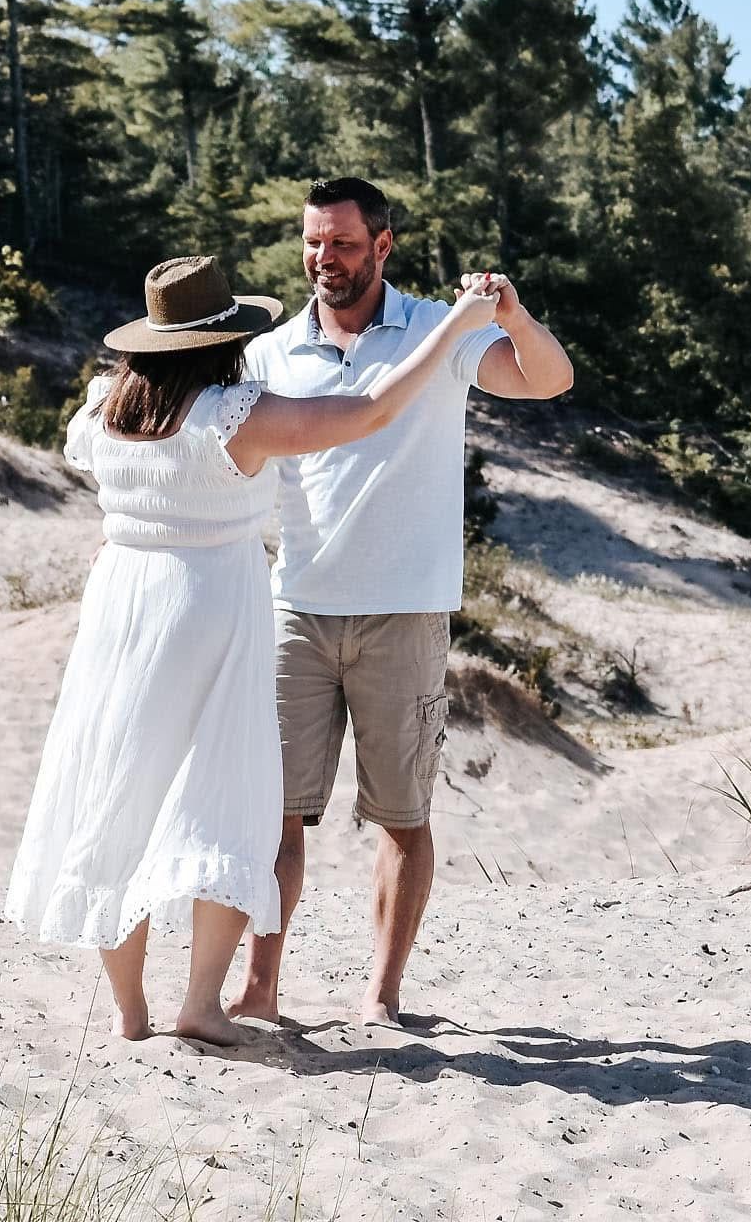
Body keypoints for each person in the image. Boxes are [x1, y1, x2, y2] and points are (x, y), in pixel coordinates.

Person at [5, 251, 501, 1047]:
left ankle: (129, 1012)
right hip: (213, 612)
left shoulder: (107, 407)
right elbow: (370, 410)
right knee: (227, 801)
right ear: (221, 343)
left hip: (119, 610)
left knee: (115, 793)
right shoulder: (234, 414)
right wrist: (452, 329)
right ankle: (201, 1004)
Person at [229, 176, 575, 1032]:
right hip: (295, 610)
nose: (323, 259)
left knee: (401, 815)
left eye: (342, 243)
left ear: (382, 246)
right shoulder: (270, 353)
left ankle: (381, 998)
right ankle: (258, 991)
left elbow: (547, 381)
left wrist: (512, 316)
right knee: (271, 812)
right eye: (313, 242)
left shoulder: (436, 329)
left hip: (406, 612)